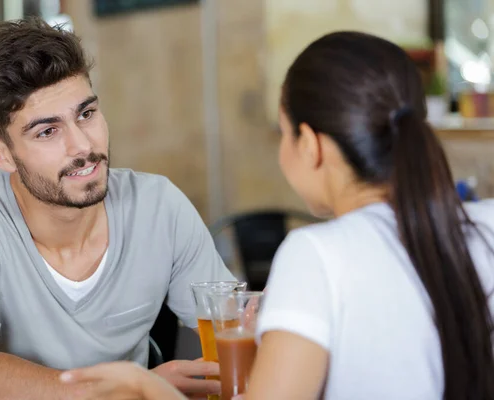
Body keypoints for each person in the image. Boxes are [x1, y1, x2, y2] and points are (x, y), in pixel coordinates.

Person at [58, 31, 494, 400]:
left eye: (284, 134)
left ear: (310, 144)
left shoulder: (316, 255)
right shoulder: (485, 227)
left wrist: (146, 388)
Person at [0, 17, 235, 400]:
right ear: (1, 154)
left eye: (86, 114)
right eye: (47, 131)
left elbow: (232, 329)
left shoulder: (158, 206)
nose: (82, 146)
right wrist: (129, 387)